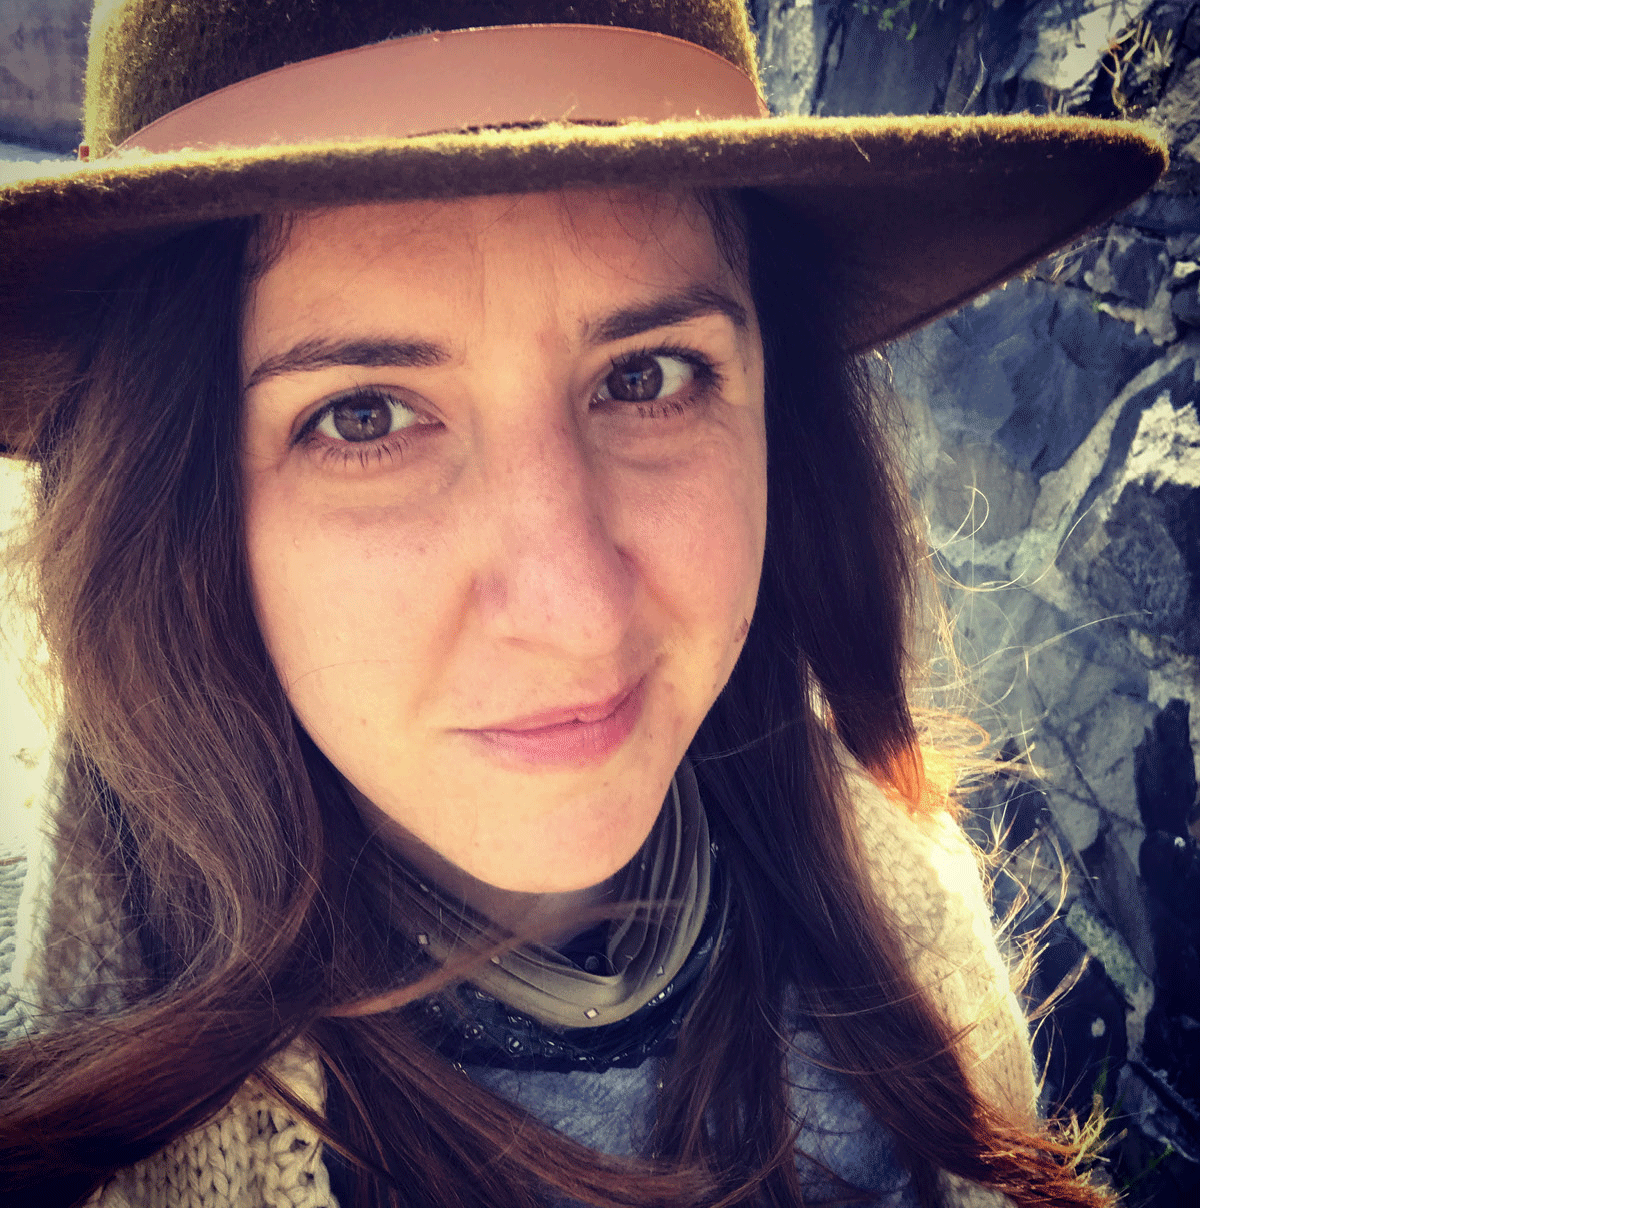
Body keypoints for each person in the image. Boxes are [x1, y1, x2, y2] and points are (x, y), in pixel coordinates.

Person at [0, 1, 1165, 1206]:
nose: (577, 609)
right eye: (364, 414)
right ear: (170, 505)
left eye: (646, 376)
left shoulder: (908, 916)